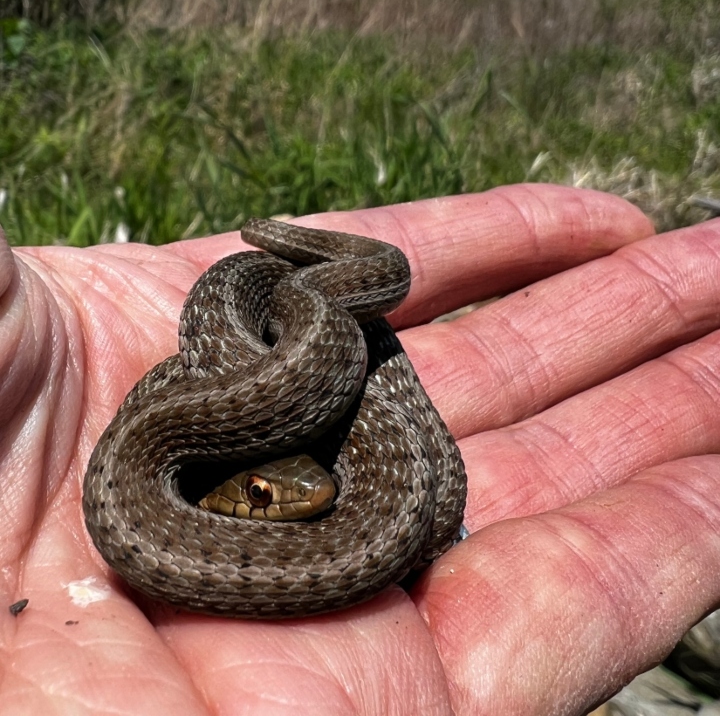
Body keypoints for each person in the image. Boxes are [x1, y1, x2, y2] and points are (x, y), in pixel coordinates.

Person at [2, 183, 720, 716]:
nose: (316, 497)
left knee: (423, 511)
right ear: (221, 490)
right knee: (422, 507)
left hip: (290, 337)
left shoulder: (266, 375)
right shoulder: (146, 469)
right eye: (259, 495)